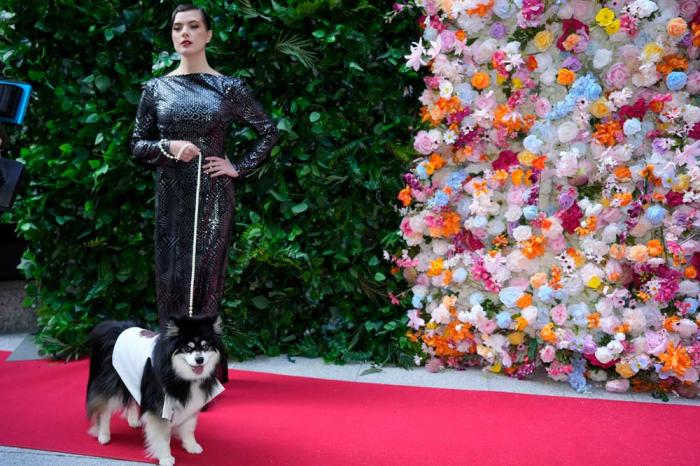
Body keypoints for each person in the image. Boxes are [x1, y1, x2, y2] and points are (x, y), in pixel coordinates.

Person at [130, 4, 279, 364]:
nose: (185, 33)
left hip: (212, 197)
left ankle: (203, 370)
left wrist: (237, 167)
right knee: (169, 279)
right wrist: (169, 147)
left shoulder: (228, 88)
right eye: (178, 27)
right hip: (170, 196)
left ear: (208, 35)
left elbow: (268, 132)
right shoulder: (156, 88)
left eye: (193, 26)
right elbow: (137, 145)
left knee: (205, 280)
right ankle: (169, 368)